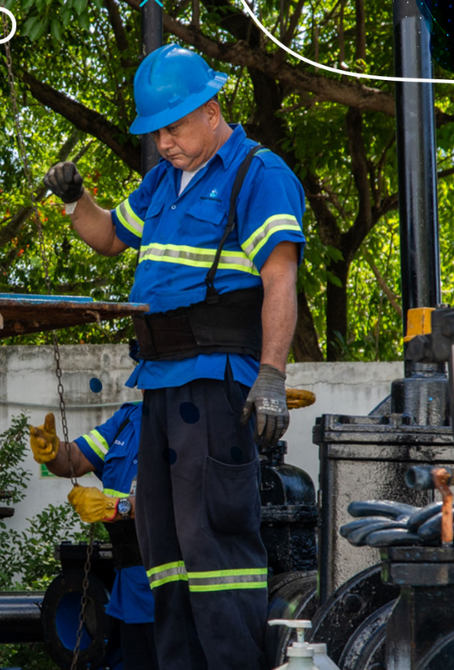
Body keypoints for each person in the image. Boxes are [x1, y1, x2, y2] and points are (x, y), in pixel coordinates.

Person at [43, 43, 306, 669]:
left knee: (214, 544)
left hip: (216, 383)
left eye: (174, 126)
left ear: (212, 110)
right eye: (156, 130)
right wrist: (73, 199)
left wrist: (271, 376)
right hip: (159, 384)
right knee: (159, 550)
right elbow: (108, 236)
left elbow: (280, 282)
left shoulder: (257, 173)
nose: (163, 141)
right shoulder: (163, 179)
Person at [29, 402, 158, 670]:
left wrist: (118, 508)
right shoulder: (127, 419)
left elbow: (190, 497)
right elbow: (74, 459)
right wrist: (54, 453)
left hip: (176, 592)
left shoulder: (189, 418)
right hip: (133, 586)